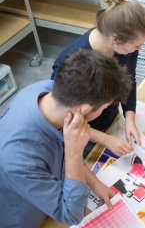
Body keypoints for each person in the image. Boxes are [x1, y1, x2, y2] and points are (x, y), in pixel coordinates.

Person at [0, 49, 132, 227]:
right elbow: (70, 215)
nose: (103, 111)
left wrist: (95, 183)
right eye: (104, 107)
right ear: (84, 109)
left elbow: (61, 155)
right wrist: (74, 152)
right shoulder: (18, 159)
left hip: (45, 189)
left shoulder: (48, 91)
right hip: (23, 217)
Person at [51, 0, 145, 157]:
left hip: (111, 120)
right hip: (83, 131)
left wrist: (129, 118)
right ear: (115, 40)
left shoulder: (126, 48)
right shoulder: (70, 62)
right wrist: (105, 139)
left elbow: (129, 80)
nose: (139, 49)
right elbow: (64, 117)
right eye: (136, 46)